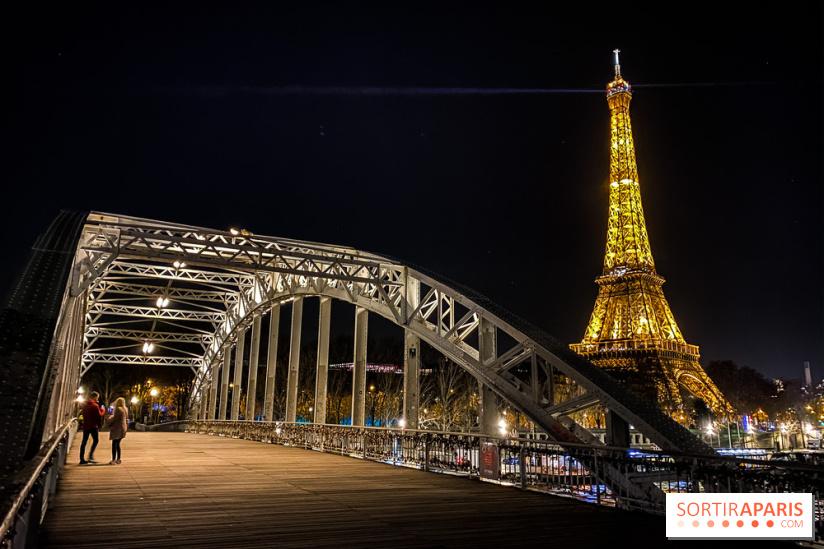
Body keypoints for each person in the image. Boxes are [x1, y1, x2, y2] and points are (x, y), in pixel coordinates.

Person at [79, 391, 103, 464]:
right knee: (96, 440)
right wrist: (103, 411)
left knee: (84, 442)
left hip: (86, 425)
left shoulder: (85, 405)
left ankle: (81, 458)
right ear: (95, 397)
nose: (97, 399)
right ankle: (90, 456)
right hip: (93, 426)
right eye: (97, 398)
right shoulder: (95, 406)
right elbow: (99, 415)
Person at [108, 397, 128, 464]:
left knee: (114, 444)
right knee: (118, 444)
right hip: (122, 428)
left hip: (117, 428)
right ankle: (118, 459)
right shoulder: (125, 409)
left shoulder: (118, 410)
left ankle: (113, 459)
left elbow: (115, 419)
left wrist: (110, 418)